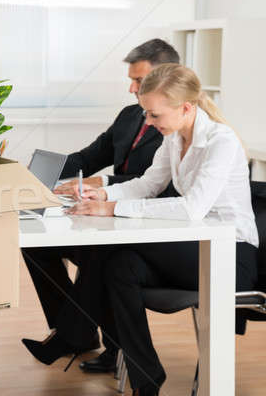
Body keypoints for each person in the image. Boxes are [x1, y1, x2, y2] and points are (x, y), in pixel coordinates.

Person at [68, 63, 259, 395]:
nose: (148, 123)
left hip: (228, 257)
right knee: (118, 266)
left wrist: (112, 209)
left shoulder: (220, 141)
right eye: (146, 114)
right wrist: (103, 194)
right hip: (192, 249)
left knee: (107, 250)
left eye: (154, 115)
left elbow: (192, 208)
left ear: (185, 107)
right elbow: (147, 185)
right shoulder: (174, 138)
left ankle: (70, 332)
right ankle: (147, 377)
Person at [22, 38, 180, 374]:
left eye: (139, 80)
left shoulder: (172, 122)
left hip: (145, 225)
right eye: (132, 79)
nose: (131, 87)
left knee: (100, 255)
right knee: (37, 247)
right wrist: (31, 176)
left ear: (166, 79)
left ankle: (83, 338)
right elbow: (88, 158)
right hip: (113, 218)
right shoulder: (129, 116)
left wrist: (105, 184)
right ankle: (75, 331)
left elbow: (158, 184)